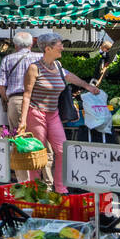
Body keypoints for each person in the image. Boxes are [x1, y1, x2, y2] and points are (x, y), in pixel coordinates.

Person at [17, 33, 101, 193]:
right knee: (38, 153)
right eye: (59, 45)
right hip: (36, 113)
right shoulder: (34, 68)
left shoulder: (58, 66)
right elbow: (26, 96)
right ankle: (35, 187)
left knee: (62, 150)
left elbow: (70, 77)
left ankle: (61, 188)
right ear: (48, 48)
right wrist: (23, 121)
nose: (62, 47)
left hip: (53, 113)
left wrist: (87, 86)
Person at [0, 31, 39, 131]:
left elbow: (0, 86)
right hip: (38, 101)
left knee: (19, 137)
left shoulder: (7, 59)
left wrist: (8, 99)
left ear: (15, 45)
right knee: (39, 137)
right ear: (32, 43)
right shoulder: (40, 57)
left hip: (16, 101)